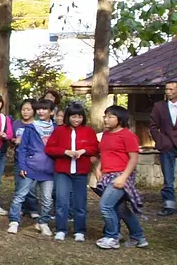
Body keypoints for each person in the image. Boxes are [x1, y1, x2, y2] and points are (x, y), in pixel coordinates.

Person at [45, 101, 98, 242]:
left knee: (80, 202)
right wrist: (65, 152)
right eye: (74, 117)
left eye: (79, 117)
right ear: (68, 117)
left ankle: (79, 231)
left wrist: (84, 151)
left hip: (80, 172)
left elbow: (95, 148)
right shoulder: (59, 131)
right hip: (63, 171)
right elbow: (49, 149)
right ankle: (61, 229)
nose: (76, 120)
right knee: (62, 201)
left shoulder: (89, 131)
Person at [96, 105, 147, 250]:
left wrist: (123, 177)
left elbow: (133, 159)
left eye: (110, 116)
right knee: (121, 208)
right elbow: (106, 153)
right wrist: (98, 168)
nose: (106, 119)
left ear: (120, 119)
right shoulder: (106, 134)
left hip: (120, 176)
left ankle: (112, 237)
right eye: (105, 116)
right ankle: (138, 237)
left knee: (105, 206)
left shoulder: (128, 135)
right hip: (108, 175)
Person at [8, 99, 56, 236]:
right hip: (30, 167)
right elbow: (22, 149)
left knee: (47, 199)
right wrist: (23, 165)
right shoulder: (30, 128)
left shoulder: (56, 129)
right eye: (39, 109)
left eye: (45, 109)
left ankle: (43, 222)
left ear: (51, 112)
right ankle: (14, 221)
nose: (41, 111)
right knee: (20, 195)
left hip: (49, 170)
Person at [149, 79, 177, 216]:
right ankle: (169, 206)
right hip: (167, 146)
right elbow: (153, 126)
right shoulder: (159, 106)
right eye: (167, 89)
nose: (168, 92)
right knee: (168, 178)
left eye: (171, 89)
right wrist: (160, 141)